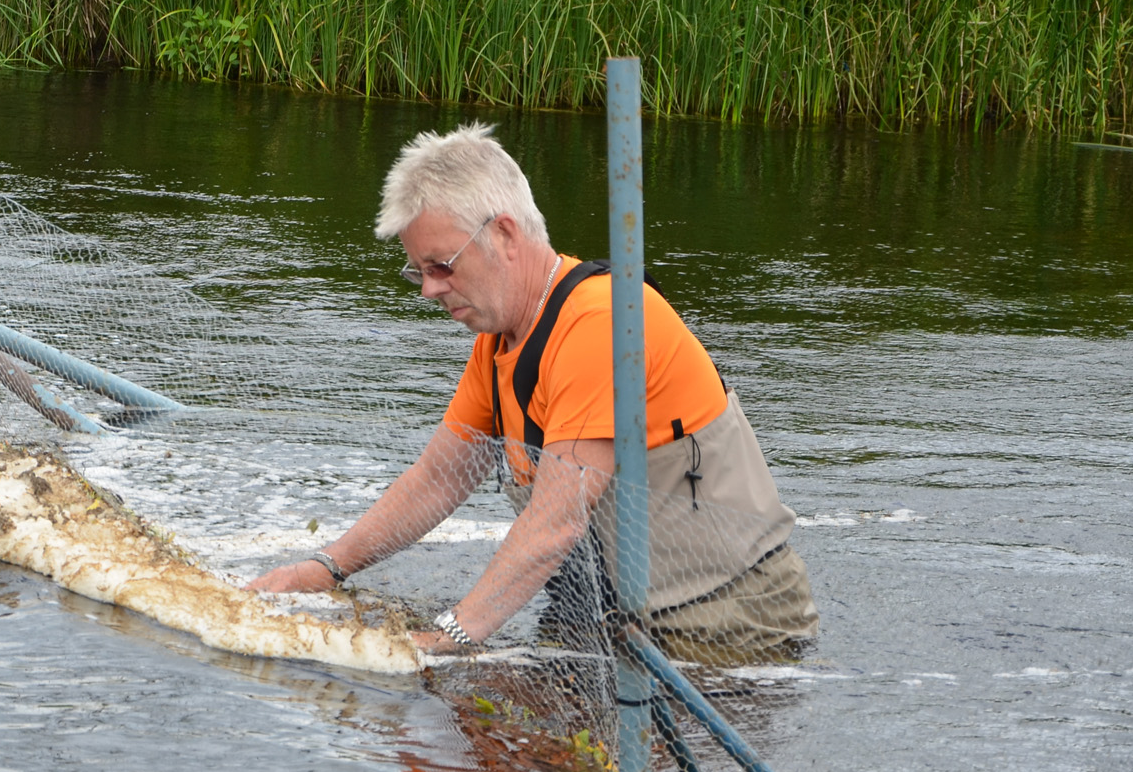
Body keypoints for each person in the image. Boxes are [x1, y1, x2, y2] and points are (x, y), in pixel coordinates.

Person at [247, 124, 817, 661]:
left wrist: (447, 637)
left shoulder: (602, 321)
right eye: (416, 272)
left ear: (504, 234)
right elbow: (437, 479)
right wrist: (325, 569)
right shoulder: (499, 341)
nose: (427, 289)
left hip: (728, 629)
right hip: (602, 621)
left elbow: (556, 524)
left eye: (441, 266)